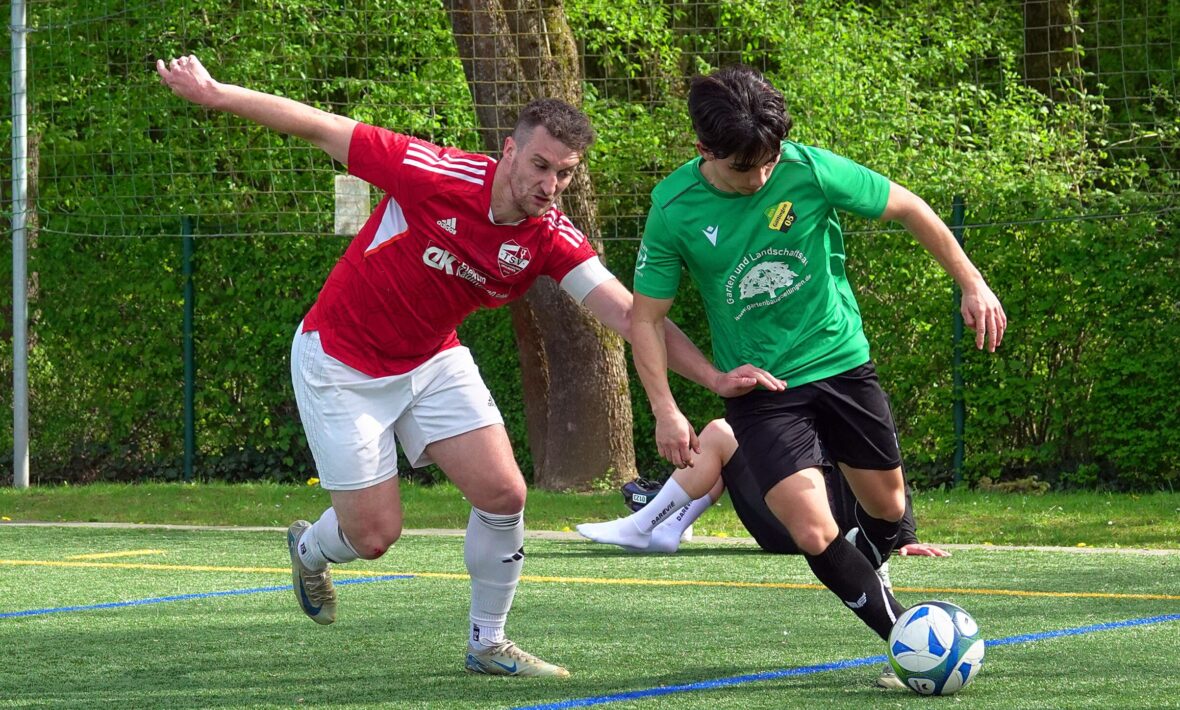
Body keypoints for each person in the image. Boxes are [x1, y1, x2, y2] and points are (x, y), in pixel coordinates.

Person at [156, 55, 779, 678]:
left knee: (505, 494)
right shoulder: (432, 173)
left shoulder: (550, 235)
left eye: (565, 173)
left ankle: (488, 643)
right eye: (540, 166)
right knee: (372, 538)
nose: (550, 185)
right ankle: (310, 546)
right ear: (510, 151)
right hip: (340, 363)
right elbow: (321, 126)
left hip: (432, 361)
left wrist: (713, 377)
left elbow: (630, 314)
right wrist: (215, 94)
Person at [606, 64, 1006, 685]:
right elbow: (647, 319)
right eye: (745, 167)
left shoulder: (809, 168)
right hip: (763, 390)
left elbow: (909, 207)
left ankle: (870, 572)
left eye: (770, 161)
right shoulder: (673, 208)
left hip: (842, 364)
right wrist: (668, 407)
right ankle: (906, 640)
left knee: (889, 509)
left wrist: (972, 283)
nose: (761, 177)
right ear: (704, 148)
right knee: (814, 528)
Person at [583, 419, 950, 566]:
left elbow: (889, 468)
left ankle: (647, 524)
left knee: (722, 434)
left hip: (821, 528)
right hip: (791, 518)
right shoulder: (801, 388)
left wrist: (905, 536)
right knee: (726, 435)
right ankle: (666, 527)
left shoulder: (847, 395)